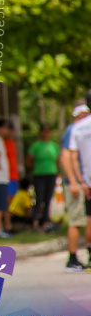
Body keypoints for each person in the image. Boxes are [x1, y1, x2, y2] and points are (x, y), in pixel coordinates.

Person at [66, 98, 91, 271]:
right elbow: (67, 156)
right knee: (79, 220)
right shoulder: (73, 129)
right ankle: (74, 257)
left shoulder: (78, 128)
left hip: (85, 180)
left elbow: (73, 156)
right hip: (80, 181)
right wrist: (75, 181)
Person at [26, 123, 60, 231]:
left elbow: (57, 160)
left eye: (48, 131)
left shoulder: (53, 146)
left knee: (48, 198)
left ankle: (45, 220)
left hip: (51, 173)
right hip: (39, 174)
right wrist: (36, 169)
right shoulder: (36, 146)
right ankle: (35, 221)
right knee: (39, 197)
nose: (46, 133)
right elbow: (28, 161)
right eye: (44, 131)